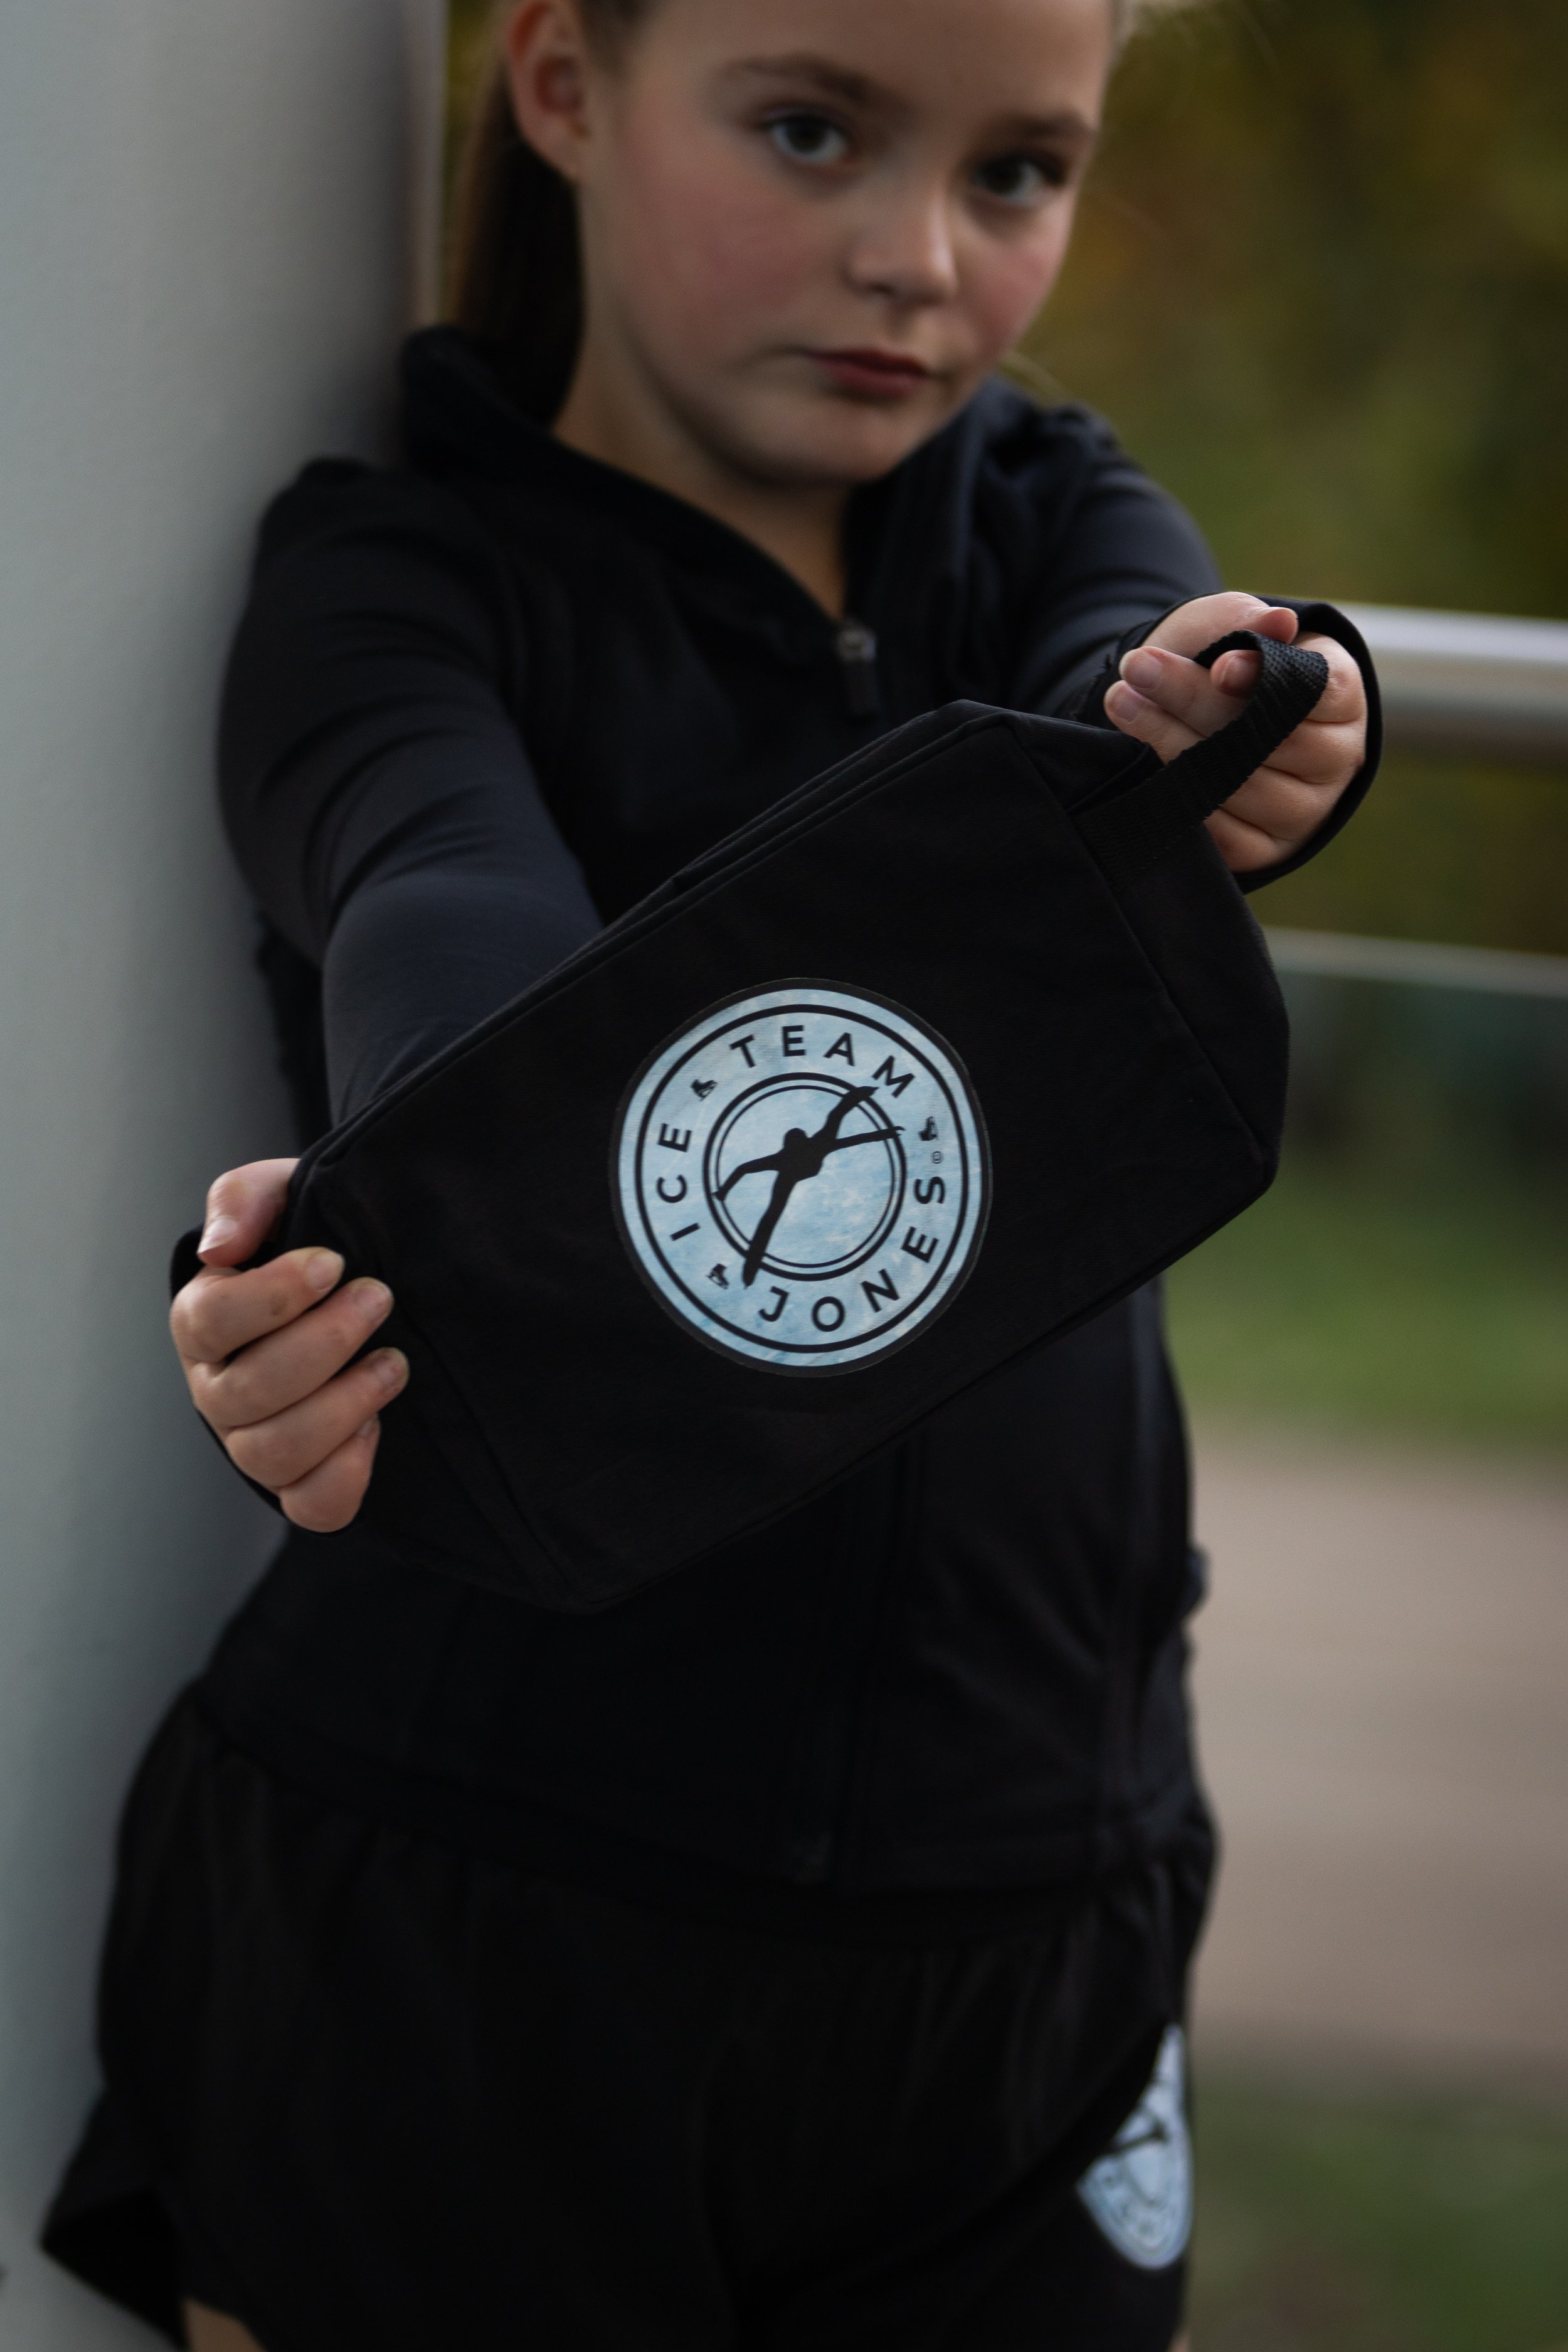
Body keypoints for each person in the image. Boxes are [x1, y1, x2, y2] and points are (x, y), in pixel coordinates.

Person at [43, 0, 1373, 2345]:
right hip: (468, 1948)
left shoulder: (1059, 511)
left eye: (1018, 172)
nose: (917, 259)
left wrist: (1255, 708)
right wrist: (331, 1290)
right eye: (810, 128)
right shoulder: (395, 584)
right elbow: (443, 912)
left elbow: (1132, 693)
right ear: (560, 82)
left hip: (1027, 1941)